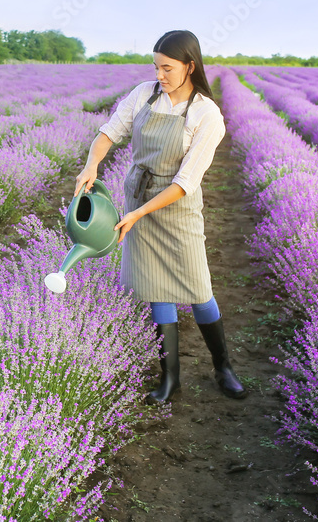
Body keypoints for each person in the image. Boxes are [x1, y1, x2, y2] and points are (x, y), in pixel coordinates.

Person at [74, 30, 246, 404]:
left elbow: (186, 182)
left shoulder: (205, 114)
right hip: (138, 197)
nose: (160, 75)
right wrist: (92, 164)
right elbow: (109, 132)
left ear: (190, 66)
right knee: (155, 289)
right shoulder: (144, 94)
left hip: (177, 208)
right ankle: (170, 378)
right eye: (156, 67)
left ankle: (223, 367)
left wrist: (139, 213)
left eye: (167, 68)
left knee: (199, 288)